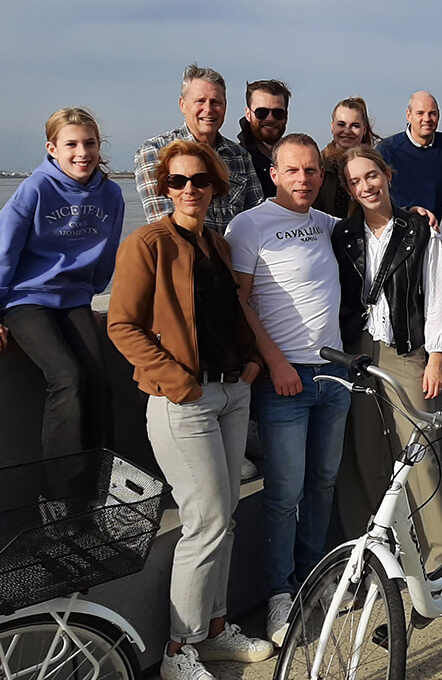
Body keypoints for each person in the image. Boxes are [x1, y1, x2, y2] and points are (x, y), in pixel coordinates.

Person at [107, 140, 273, 680]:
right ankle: (180, 650)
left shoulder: (218, 245)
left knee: (222, 520)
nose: (188, 191)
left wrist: (250, 362)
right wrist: (180, 383)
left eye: (199, 181)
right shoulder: (148, 243)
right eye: (177, 182)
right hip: (186, 401)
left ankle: (217, 631)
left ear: (215, 186)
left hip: (231, 391)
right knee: (203, 520)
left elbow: (234, 311)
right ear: (163, 188)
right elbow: (122, 326)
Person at [223, 134, 351, 647]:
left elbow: (383, 227)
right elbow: (240, 303)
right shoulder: (249, 225)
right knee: (284, 492)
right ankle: (279, 594)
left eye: (313, 171)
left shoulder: (327, 225)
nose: (304, 179)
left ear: (323, 176)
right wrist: (274, 361)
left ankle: (311, 578)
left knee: (322, 483)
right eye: (293, 171)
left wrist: (420, 216)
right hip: (285, 380)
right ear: (273, 173)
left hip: (334, 375)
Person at [331, 145, 442, 578]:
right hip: (357, 352)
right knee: (363, 455)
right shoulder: (342, 234)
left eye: (371, 176)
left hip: (406, 349)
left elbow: (439, 295)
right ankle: (371, 555)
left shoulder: (419, 229)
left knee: (419, 451)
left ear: (387, 174)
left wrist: (435, 356)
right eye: (354, 181)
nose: (365, 186)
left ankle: (438, 556)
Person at [0, 107, 123, 461]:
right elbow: (1, 247)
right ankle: (60, 495)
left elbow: (107, 251)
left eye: (90, 143)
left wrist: (89, 293)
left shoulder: (111, 195)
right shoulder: (35, 189)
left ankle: (101, 484)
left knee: (100, 383)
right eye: (71, 144)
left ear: (100, 146)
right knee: (68, 379)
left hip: (74, 300)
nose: (82, 153)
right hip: (26, 299)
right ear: (52, 148)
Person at [135, 64, 262, 231]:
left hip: (233, 254)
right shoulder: (155, 151)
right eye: (200, 101)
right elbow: (164, 224)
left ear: (225, 107)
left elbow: (256, 217)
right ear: (182, 105)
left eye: (215, 102)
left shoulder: (240, 157)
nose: (208, 109)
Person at [375, 91, 442, 218]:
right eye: (420, 113)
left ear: (438, 115)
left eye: (432, 113)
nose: (427, 119)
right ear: (409, 115)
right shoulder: (387, 149)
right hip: (402, 229)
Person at [316, 97, 380, 217]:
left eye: (355, 126)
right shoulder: (318, 164)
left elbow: (385, 205)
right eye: (341, 124)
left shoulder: (375, 166)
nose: (347, 131)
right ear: (332, 126)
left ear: (364, 129)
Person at [238, 79, 291, 199]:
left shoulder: (296, 160)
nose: (270, 118)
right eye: (261, 112)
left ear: (286, 116)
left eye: (278, 113)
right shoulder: (236, 161)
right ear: (248, 114)